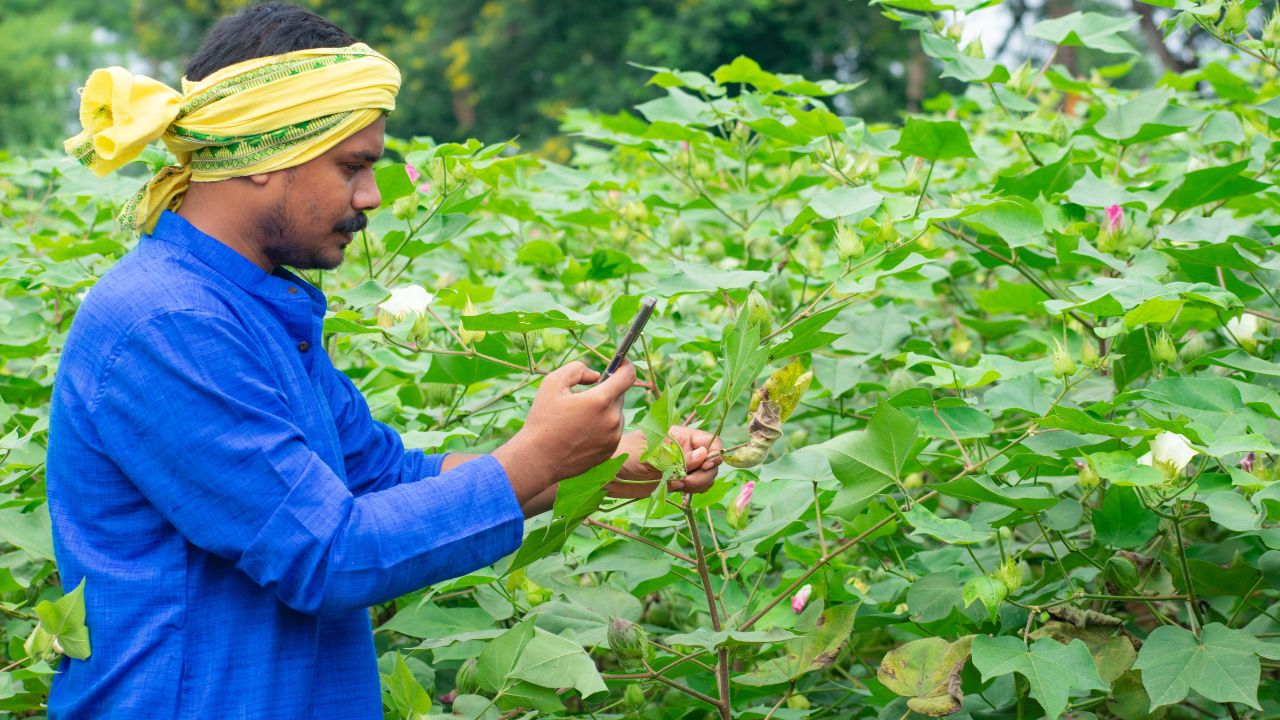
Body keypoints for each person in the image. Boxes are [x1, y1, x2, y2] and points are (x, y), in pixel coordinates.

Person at [46, 3, 722, 717]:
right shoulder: (167, 321)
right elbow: (326, 555)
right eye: (353, 166)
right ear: (260, 153)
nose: (370, 197)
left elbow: (385, 482)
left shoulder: (251, 306)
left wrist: (607, 465)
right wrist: (536, 458)